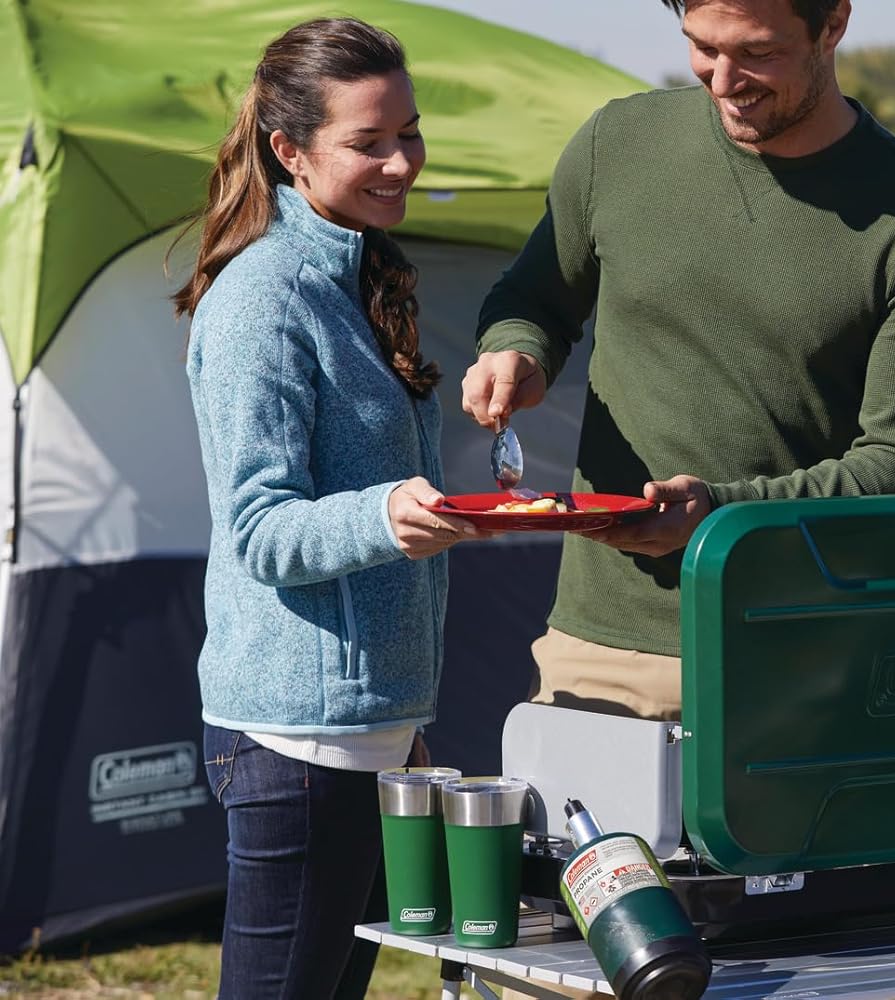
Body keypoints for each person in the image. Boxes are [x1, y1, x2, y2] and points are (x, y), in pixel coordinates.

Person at [462, 0, 895, 722]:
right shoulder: (617, 141)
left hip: (802, 654)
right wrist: (516, 350)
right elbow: (533, 299)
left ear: (833, 24)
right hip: (600, 648)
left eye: (757, 53)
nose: (723, 80)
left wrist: (720, 513)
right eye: (703, 47)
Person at [175, 17, 477, 998]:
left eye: (410, 132)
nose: (401, 161)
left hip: (367, 736)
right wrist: (388, 515)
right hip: (297, 746)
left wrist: (400, 721)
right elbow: (259, 528)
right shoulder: (263, 298)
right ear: (290, 150)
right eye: (368, 141)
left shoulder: (359, 274)